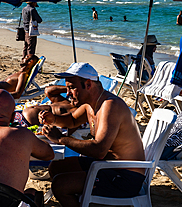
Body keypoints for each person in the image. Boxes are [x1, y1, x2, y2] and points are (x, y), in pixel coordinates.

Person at [38, 62, 145, 207]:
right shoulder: (91, 103)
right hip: (107, 166)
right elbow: (72, 120)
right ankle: (84, 199)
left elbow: (99, 150)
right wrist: (53, 119)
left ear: (88, 84)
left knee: (60, 185)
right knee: (56, 168)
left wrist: (61, 139)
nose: (67, 93)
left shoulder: (110, 105)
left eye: (72, 88)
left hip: (125, 177)